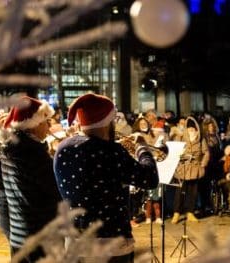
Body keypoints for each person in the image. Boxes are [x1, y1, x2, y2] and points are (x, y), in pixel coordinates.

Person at [54, 94, 159, 262]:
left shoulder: (62, 148)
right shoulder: (112, 152)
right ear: (107, 122)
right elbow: (150, 179)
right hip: (112, 243)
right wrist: (142, 148)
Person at [0, 96, 62, 262]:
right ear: (34, 123)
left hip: (19, 235)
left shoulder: (9, 147)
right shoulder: (33, 153)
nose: (48, 127)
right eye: (45, 121)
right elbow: (55, 190)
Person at [171, 117, 210, 224]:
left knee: (193, 191)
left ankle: (190, 212)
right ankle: (176, 213)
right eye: (189, 128)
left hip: (195, 168)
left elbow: (206, 152)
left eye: (193, 128)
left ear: (196, 129)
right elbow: (174, 150)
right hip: (183, 168)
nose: (191, 130)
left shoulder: (201, 139)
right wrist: (181, 156)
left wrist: (202, 164)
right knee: (179, 191)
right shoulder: (181, 137)